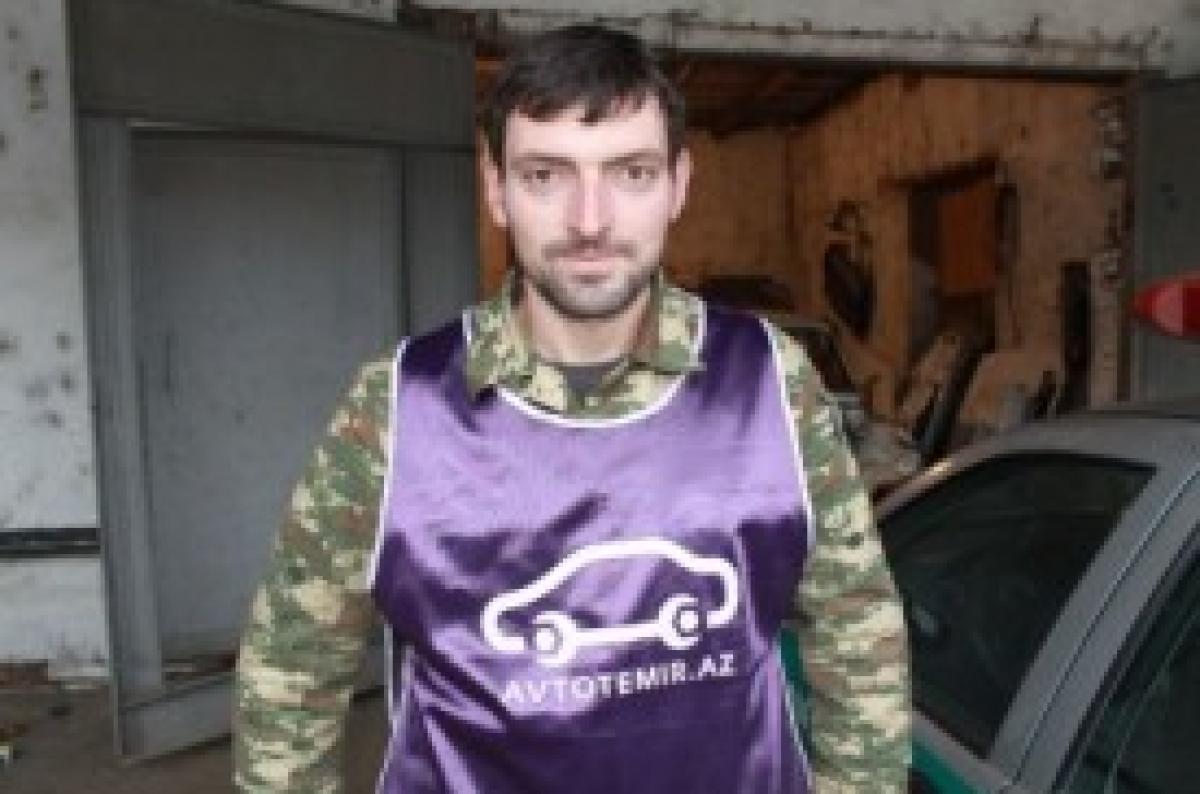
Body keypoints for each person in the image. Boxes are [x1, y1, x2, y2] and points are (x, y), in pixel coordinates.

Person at [234, 24, 909, 793]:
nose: (591, 222)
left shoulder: (771, 383)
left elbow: (857, 629)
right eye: (546, 175)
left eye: (631, 172)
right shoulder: (397, 408)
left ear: (679, 184)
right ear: (496, 188)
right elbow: (291, 670)